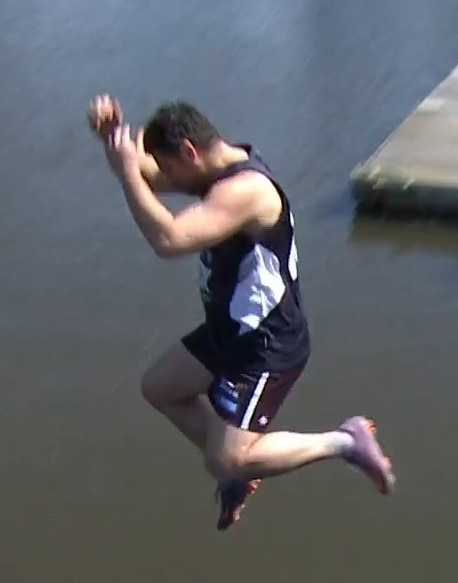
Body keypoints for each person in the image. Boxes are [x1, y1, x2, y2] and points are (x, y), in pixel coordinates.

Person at [87, 94, 395, 531]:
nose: (164, 179)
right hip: (229, 328)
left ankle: (344, 442)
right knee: (160, 387)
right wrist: (112, 141)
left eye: (169, 167)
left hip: (265, 344)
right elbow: (149, 177)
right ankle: (241, 468)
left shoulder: (247, 191)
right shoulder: (211, 167)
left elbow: (169, 240)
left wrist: (124, 171)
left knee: (224, 459)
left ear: (189, 152)